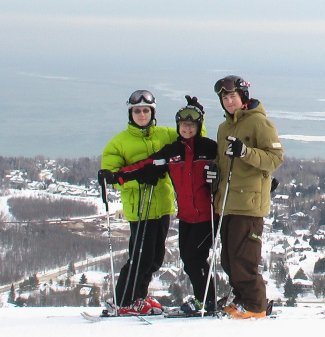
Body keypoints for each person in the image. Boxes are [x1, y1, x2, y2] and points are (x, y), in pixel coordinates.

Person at [101, 102, 218, 314]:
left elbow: (230, 166)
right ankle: (128, 301)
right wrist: (117, 176)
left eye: (192, 124)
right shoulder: (172, 149)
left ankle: (207, 301)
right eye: (183, 124)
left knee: (184, 257)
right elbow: (146, 165)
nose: (187, 128)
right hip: (169, 213)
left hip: (200, 213)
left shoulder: (208, 148)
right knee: (149, 257)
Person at [205, 75, 284, 319]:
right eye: (225, 98)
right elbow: (223, 161)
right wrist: (213, 170)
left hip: (249, 204)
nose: (229, 101)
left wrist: (246, 152)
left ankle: (255, 305)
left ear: (243, 97)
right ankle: (241, 299)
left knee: (243, 259)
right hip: (227, 201)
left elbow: (275, 158)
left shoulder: (259, 123)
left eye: (233, 96)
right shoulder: (224, 127)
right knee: (229, 260)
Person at [98, 90, 177, 315]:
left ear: (152, 113)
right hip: (140, 208)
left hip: (161, 205)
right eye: (137, 111)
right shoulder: (119, 143)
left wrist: (195, 116)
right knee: (140, 258)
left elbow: (190, 134)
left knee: (154, 259)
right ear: (130, 114)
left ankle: (138, 298)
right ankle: (124, 300)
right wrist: (139, 178)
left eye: (145, 110)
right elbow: (113, 179)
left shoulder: (164, 135)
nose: (141, 115)